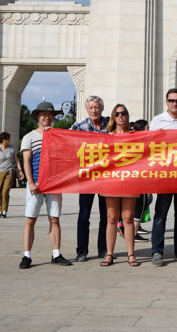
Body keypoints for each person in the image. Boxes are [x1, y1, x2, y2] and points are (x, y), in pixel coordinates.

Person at [19, 101, 72, 269]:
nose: (47, 117)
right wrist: (30, 182)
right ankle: (26, 255)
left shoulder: (58, 135)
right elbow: (26, 160)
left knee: (54, 219)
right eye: (43, 114)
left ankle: (56, 253)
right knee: (30, 219)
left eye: (50, 115)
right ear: (37, 117)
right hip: (36, 183)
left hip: (54, 183)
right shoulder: (29, 137)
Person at [148, 88, 177, 267]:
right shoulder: (157, 120)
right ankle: (157, 251)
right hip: (165, 174)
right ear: (166, 102)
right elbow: (149, 145)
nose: (175, 103)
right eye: (171, 100)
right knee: (161, 214)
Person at [70, 95, 109, 262]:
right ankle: (82, 251)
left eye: (97, 107)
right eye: (91, 107)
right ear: (87, 109)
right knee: (84, 215)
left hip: (107, 177)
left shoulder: (110, 124)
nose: (94, 110)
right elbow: (64, 140)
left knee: (106, 216)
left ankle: (104, 249)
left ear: (102, 108)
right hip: (86, 177)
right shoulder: (79, 125)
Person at [101, 103, 140, 266]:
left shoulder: (135, 135)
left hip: (130, 179)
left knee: (128, 217)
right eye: (117, 114)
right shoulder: (107, 136)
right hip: (111, 179)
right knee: (111, 218)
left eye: (123, 113)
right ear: (113, 117)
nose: (120, 116)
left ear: (127, 116)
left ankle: (131, 254)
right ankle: (109, 254)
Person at [0, 131, 23, 218]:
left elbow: (17, 160)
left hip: (9, 172)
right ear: (4, 140)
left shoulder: (12, 149)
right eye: (8, 139)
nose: (9, 140)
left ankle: (4, 210)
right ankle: (0, 210)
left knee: (5, 191)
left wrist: (20, 170)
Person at [131, 119, 152, 241]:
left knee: (140, 205)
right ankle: (133, 233)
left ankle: (133, 231)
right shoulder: (142, 142)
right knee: (140, 206)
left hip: (139, 179)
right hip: (139, 180)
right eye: (147, 128)